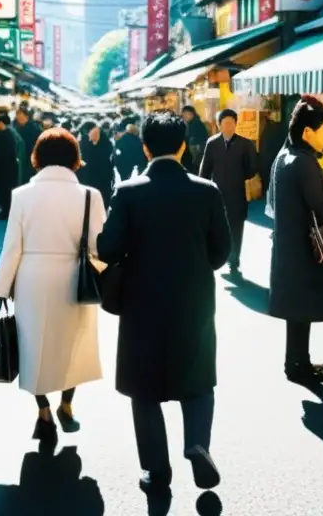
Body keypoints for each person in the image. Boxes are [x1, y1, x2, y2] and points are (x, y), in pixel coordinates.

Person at [97, 112, 232, 494]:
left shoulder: (129, 192)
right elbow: (221, 253)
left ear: (144, 146)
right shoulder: (206, 190)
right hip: (194, 300)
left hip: (141, 302)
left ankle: (157, 470)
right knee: (198, 380)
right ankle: (197, 444)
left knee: (144, 388)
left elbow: (107, 247)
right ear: (184, 145)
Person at [0, 128, 107, 442]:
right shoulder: (89, 196)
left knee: (33, 347)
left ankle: (43, 412)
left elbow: (12, 246)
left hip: (32, 279)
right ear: (74, 158)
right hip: (76, 279)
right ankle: (66, 406)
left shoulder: (22, 195)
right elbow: (99, 246)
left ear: (37, 157)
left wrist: (1, 287)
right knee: (73, 345)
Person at [268, 95, 323, 384]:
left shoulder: (285, 158)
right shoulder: (304, 163)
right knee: (302, 308)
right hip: (303, 248)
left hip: (289, 245)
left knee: (296, 311)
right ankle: (299, 364)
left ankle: (297, 362)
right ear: (307, 132)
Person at [199, 108, 258, 275]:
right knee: (217, 227)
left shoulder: (246, 144)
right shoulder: (212, 143)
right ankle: (220, 256)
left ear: (236, 124)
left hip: (237, 193)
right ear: (219, 125)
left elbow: (252, 168)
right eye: (225, 123)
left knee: (236, 227)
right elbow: (205, 169)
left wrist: (240, 176)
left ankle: (234, 258)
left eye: (231, 123)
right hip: (217, 193)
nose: (229, 126)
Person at [77, 122, 115, 208]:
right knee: (103, 202)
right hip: (104, 177)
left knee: (87, 204)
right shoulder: (106, 142)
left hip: (87, 177)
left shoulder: (82, 143)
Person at [14, 107, 41, 181]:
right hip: (21, 159)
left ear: (26, 116)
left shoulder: (34, 128)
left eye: (20, 115)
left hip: (30, 159)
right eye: (17, 115)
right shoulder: (17, 128)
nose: (18, 117)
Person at [181, 105, 209, 174]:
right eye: (183, 114)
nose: (184, 116)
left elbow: (190, 139)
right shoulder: (191, 123)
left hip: (196, 155)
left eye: (186, 114)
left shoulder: (195, 124)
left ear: (191, 114)